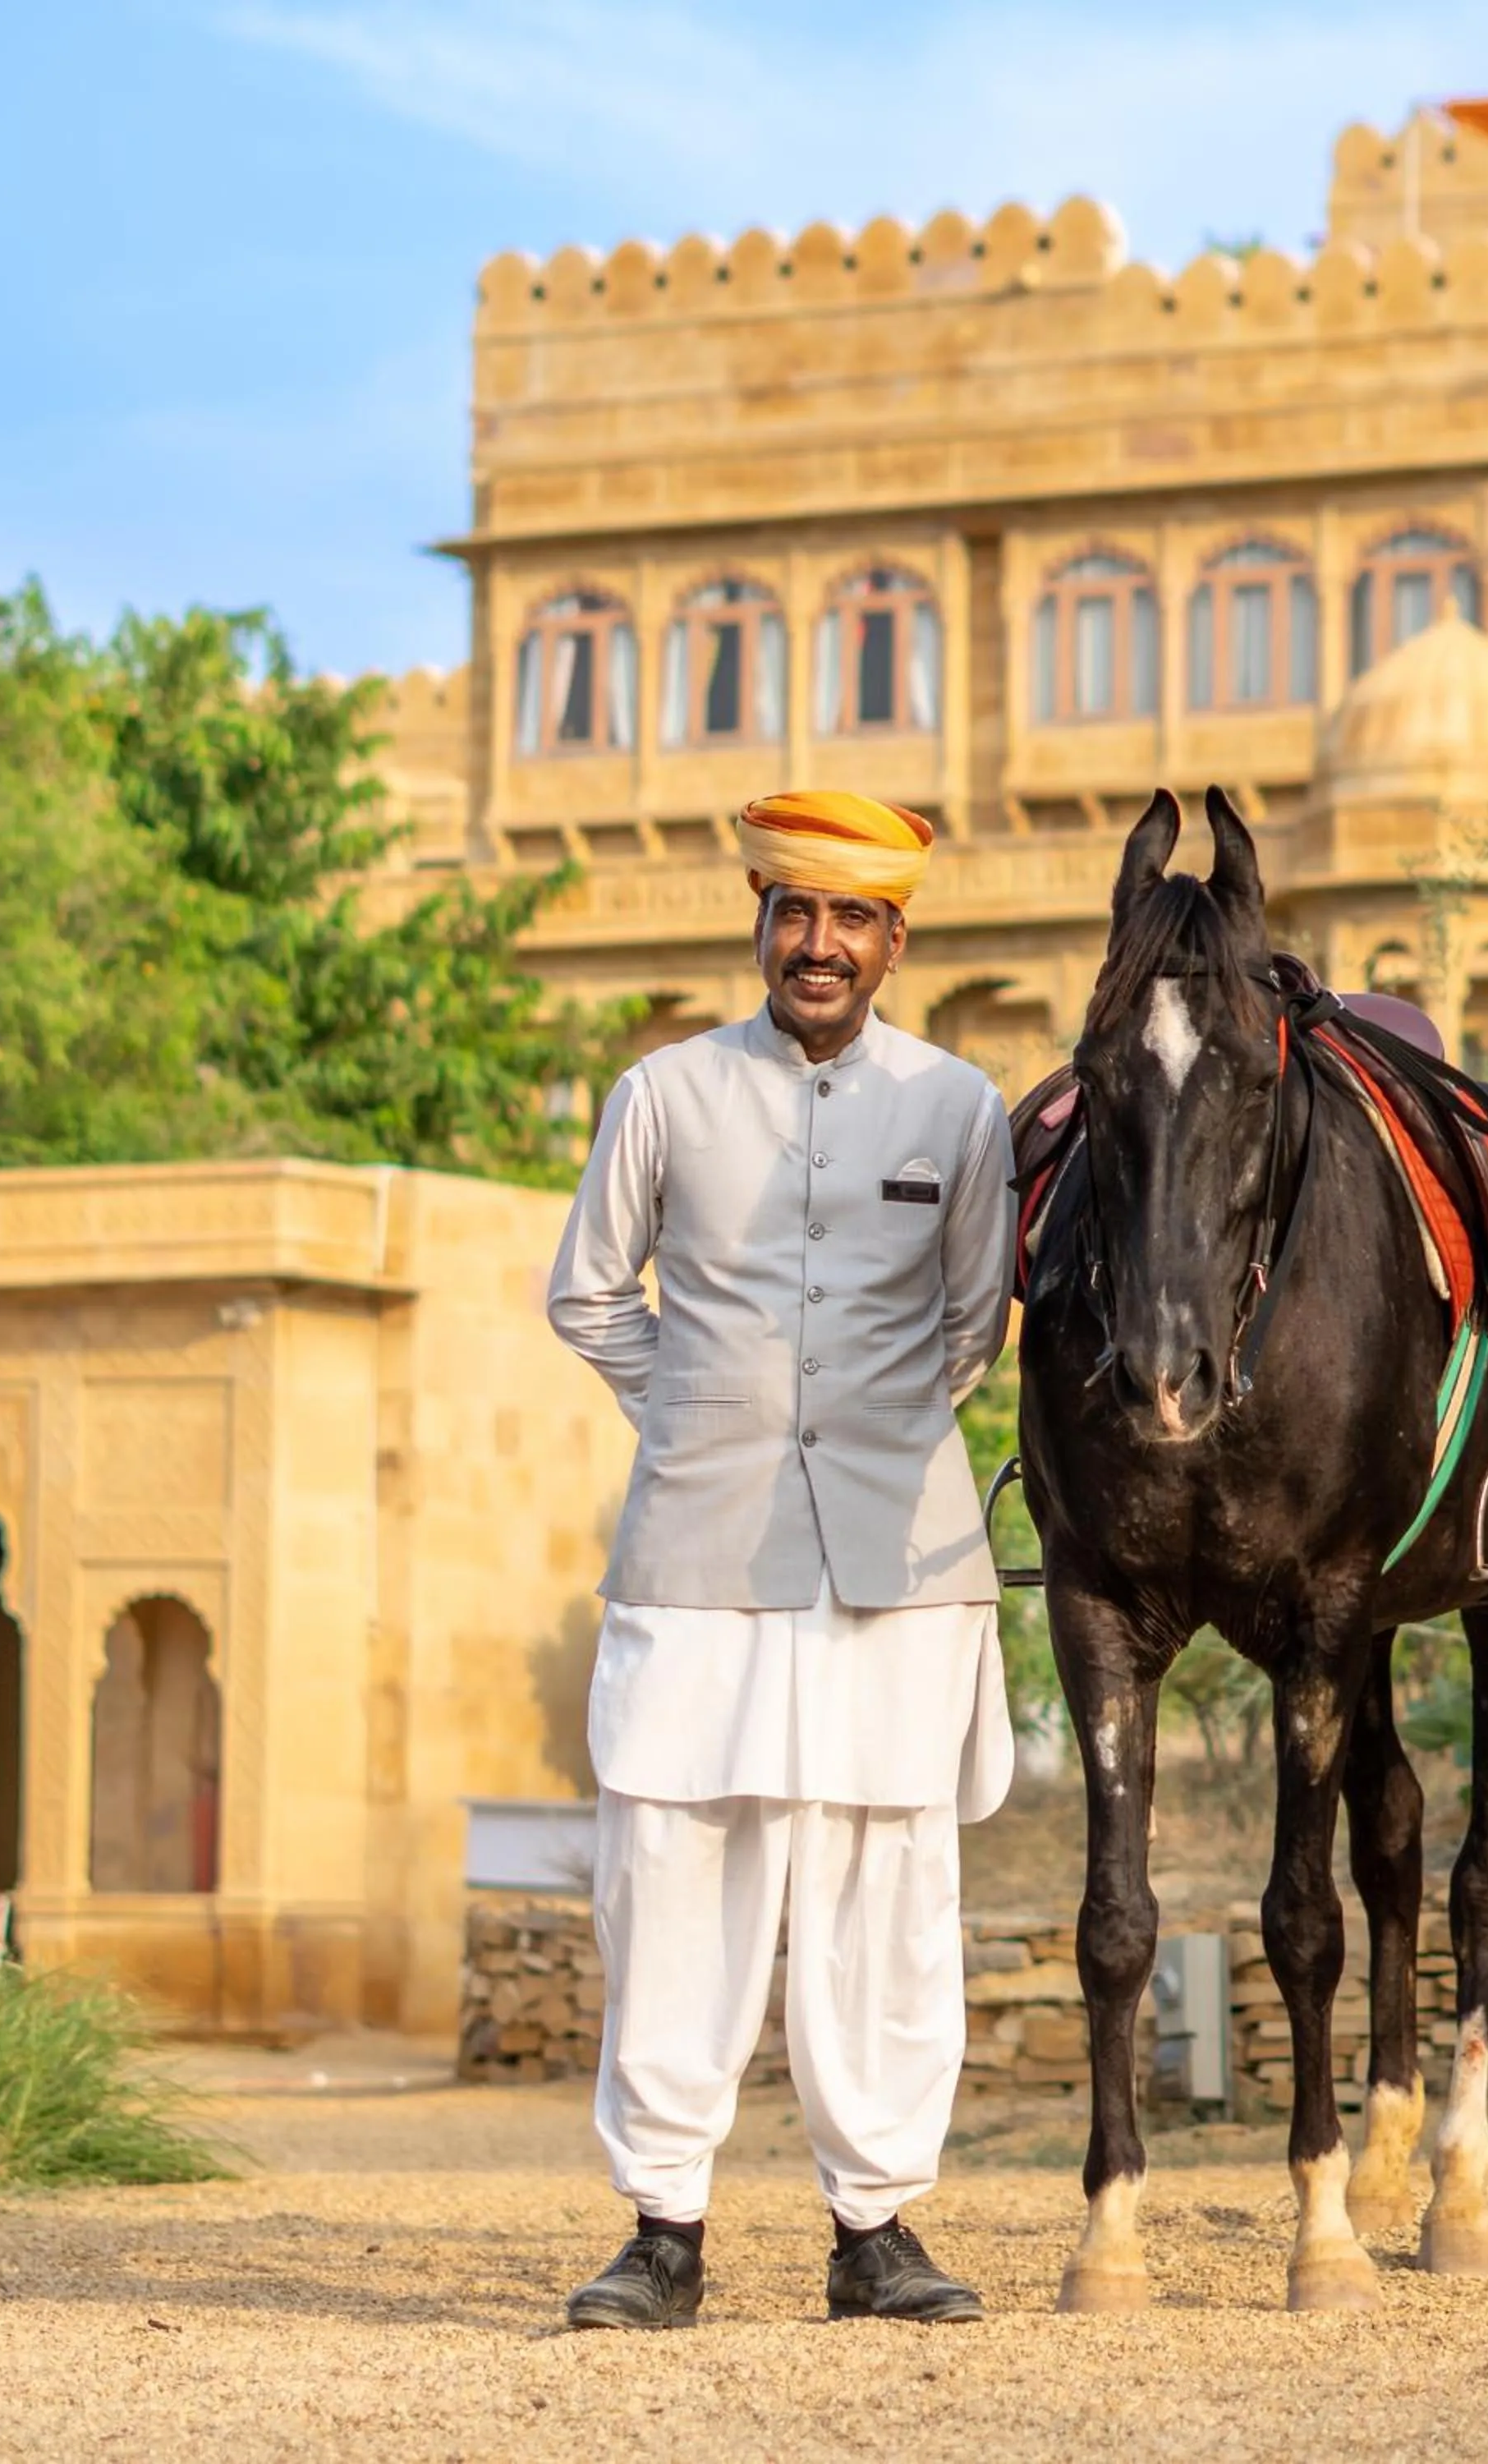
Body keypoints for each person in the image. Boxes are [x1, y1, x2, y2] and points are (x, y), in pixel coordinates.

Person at [546, 789, 1015, 2329]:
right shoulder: (666, 1094)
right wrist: (691, 1405)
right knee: (673, 1872)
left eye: (850, 919)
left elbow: (973, 1319)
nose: (819, 944)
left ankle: (876, 2232)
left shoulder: (958, 1109)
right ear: (760, 921)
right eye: (793, 912)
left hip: (899, 1553)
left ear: (897, 939)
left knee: (889, 1883)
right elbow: (593, 1293)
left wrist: (867, 1427)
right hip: (698, 1547)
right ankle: (661, 2231)